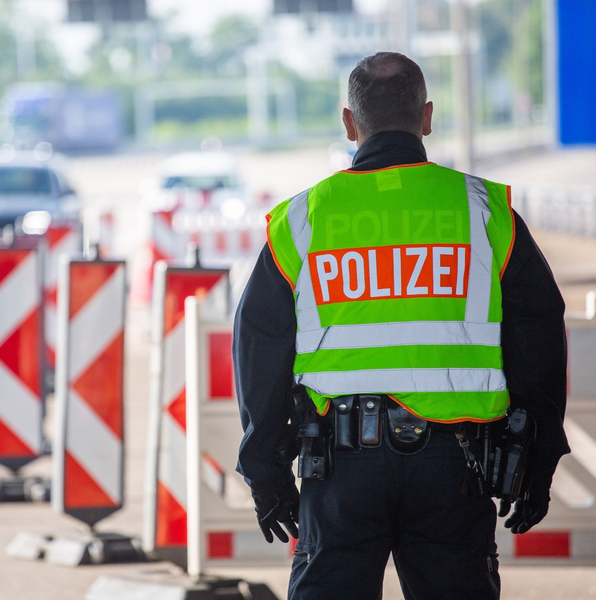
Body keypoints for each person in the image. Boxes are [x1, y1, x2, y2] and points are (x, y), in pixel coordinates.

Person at [233, 52, 569, 600]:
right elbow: (537, 333)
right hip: (456, 470)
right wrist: (539, 453)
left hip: (340, 471)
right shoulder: (487, 212)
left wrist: (265, 468)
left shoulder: (302, 219)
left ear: (350, 122)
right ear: (427, 115)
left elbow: (259, 347)